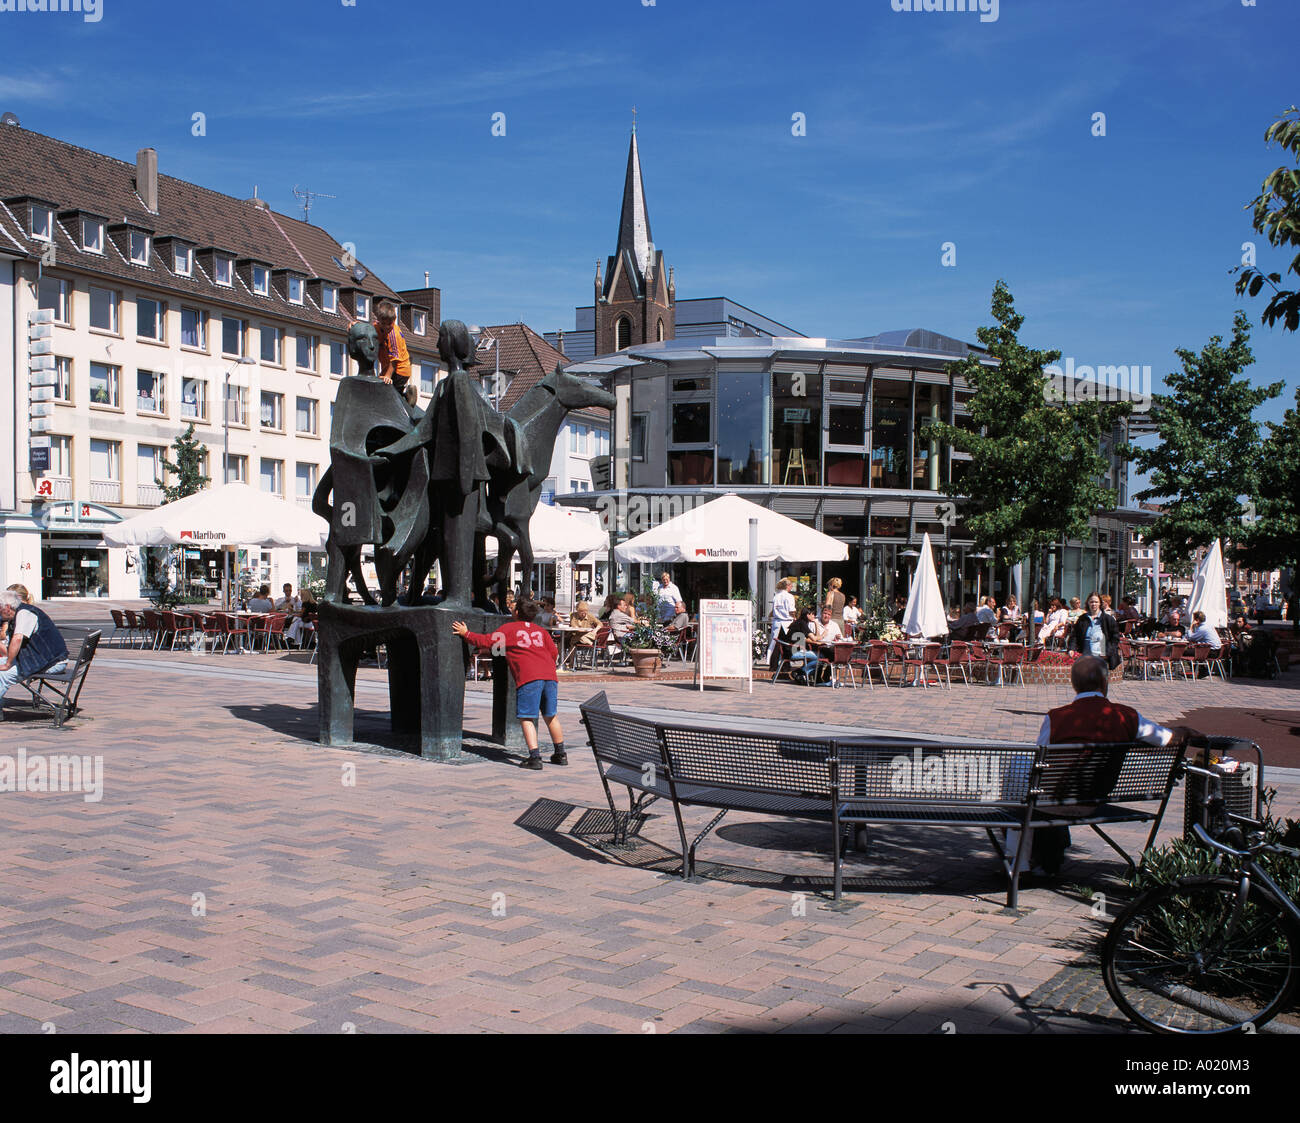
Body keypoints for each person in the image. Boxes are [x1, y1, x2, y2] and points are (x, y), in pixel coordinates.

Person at [1011, 655, 1198, 875]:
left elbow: (1040, 761)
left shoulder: (1056, 717)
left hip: (1054, 800)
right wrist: (1185, 731)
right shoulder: (1125, 715)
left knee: (1020, 770)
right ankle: (1047, 858)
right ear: (1104, 683)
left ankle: (1018, 864)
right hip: (1096, 798)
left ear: (1074, 685)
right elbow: (1167, 738)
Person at [453, 599, 565, 770]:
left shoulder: (509, 629)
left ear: (517, 613)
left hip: (529, 677)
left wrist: (466, 633)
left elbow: (486, 641)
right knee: (550, 715)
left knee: (527, 717)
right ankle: (560, 754)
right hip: (550, 676)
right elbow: (554, 652)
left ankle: (535, 757)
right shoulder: (541, 631)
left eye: (513, 608)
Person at [0, 589, 69, 716]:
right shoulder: (17, 613)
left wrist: (8, 664)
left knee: (3, 676)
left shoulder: (25, 614)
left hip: (52, 662)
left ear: (7, 607)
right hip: (39, 659)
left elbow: (18, 638)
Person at [1070, 591, 1121, 669]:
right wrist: (1071, 648)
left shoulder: (1108, 619)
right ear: (1088, 603)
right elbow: (1074, 636)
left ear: (1100, 603)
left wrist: (1107, 652)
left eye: (1096, 602)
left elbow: (1115, 638)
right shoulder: (1082, 619)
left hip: (1101, 658)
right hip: (1085, 657)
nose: (1094, 604)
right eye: (1091, 602)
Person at [373, 300, 412, 392]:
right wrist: (355, 324)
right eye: (383, 324)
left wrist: (388, 376)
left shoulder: (394, 335)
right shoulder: (376, 327)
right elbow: (368, 329)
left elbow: (394, 360)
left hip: (400, 370)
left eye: (389, 324)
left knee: (390, 393)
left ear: (394, 320)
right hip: (387, 367)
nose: (387, 327)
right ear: (379, 321)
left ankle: (407, 396)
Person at [783, 606, 823, 684]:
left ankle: (801, 673)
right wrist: (822, 631)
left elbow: (811, 638)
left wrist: (816, 626)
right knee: (821, 657)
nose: (814, 616)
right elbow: (815, 639)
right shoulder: (802, 623)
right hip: (792, 652)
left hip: (788, 651)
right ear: (807, 615)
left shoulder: (799, 622)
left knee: (818, 656)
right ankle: (801, 671)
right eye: (813, 614)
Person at [767, 578, 796, 666]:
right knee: (786, 644)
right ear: (787, 586)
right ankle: (786, 663)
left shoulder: (776, 596)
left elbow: (773, 610)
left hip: (777, 622)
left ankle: (771, 663)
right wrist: (795, 618)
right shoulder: (789, 596)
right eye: (791, 585)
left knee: (774, 643)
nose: (791, 587)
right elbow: (791, 611)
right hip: (787, 622)